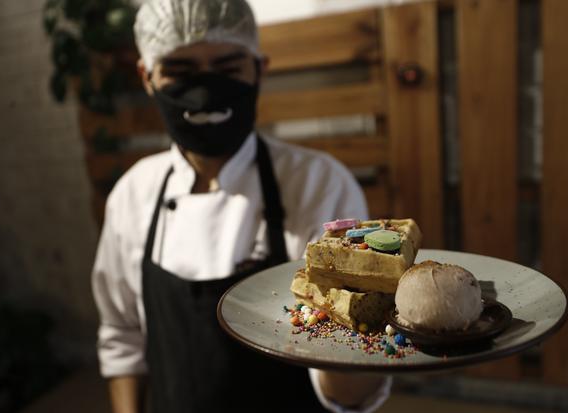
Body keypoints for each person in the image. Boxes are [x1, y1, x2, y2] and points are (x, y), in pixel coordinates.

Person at [91, 0, 391, 412]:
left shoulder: (317, 185)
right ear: (147, 76)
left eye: (228, 69)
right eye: (179, 72)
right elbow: (122, 335)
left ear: (259, 70)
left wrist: (365, 323)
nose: (204, 90)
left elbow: (348, 389)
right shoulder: (133, 194)